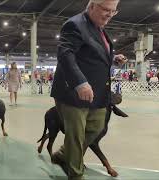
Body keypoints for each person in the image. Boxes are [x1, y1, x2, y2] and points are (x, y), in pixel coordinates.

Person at [50, 0, 127, 179]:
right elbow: (65, 54)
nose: (110, 14)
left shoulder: (98, 28)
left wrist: (113, 58)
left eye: (114, 11)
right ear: (92, 6)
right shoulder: (74, 24)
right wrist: (80, 83)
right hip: (73, 93)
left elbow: (91, 52)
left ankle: (63, 154)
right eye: (106, 9)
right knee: (76, 137)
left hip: (97, 94)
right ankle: (76, 175)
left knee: (97, 127)